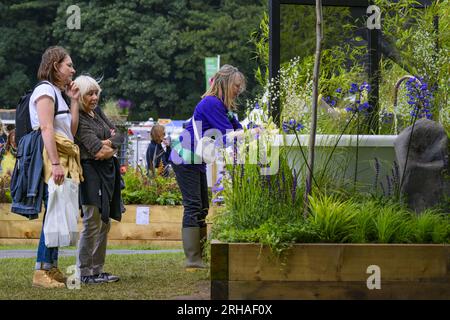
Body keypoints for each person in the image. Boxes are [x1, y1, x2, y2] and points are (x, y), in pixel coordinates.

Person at [171, 64, 259, 270]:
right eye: (236, 85)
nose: (238, 90)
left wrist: (254, 129)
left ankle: (199, 256)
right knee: (193, 205)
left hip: (195, 159)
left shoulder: (222, 106)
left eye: (240, 86)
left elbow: (237, 128)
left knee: (202, 206)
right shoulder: (211, 103)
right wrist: (247, 134)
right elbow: (227, 137)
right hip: (185, 158)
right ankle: (193, 259)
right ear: (226, 83)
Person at [31, 46, 82, 288]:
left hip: (63, 156)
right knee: (52, 212)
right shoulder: (44, 90)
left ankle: (51, 267)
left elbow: (69, 132)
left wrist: (73, 101)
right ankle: (41, 271)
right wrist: (54, 163)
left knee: (58, 211)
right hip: (52, 158)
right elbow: (46, 129)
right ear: (55, 66)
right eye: (68, 65)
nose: (73, 69)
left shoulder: (58, 93)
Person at [74, 75, 124, 284]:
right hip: (90, 173)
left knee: (104, 222)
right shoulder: (79, 119)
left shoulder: (97, 112)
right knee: (92, 221)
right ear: (80, 96)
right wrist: (107, 144)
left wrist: (108, 144)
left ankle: (97, 269)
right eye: (90, 94)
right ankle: (84, 272)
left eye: (96, 93)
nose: (94, 98)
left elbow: (119, 135)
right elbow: (95, 150)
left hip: (106, 171)